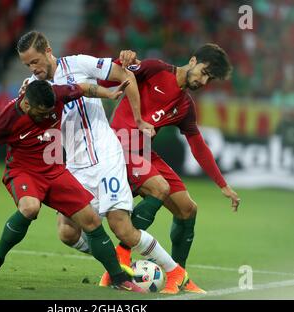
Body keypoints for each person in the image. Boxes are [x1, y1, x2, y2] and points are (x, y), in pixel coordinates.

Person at [18, 31, 201, 294]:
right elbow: (29, 125)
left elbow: (125, 76)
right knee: (67, 232)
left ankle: (176, 273)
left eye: (35, 61)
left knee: (122, 229)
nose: (33, 69)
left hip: (106, 157)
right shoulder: (32, 88)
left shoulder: (78, 64)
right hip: (75, 166)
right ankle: (117, 267)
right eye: (27, 65)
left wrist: (138, 120)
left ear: (48, 50)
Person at [0, 79, 145, 293]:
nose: (48, 116)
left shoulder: (56, 94)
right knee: (30, 208)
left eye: (51, 112)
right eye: (42, 112)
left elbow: (83, 88)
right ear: (26, 103)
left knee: (92, 221)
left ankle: (119, 279)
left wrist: (109, 93)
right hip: (23, 172)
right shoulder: (7, 119)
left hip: (55, 170)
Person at [99, 43, 240, 293]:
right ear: (193, 60)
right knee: (159, 188)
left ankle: (179, 276)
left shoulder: (185, 106)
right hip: (120, 146)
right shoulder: (155, 69)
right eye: (205, 73)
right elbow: (114, 76)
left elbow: (198, 147)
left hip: (144, 153)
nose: (204, 81)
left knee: (188, 209)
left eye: (210, 79)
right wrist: (122, 60)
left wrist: (223, 185)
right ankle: (119, 260)